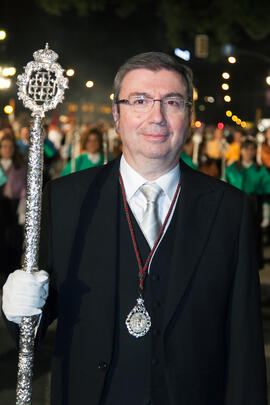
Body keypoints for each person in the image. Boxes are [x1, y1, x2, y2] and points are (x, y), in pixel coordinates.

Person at [2, 52, 267, 405]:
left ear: (188, 116)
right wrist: (15, 308)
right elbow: (32, 328)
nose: (155, 116)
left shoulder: (229, 208)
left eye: (172, 102)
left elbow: (245, 344)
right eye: (139, 101)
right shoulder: (66, 200)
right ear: (116, 115)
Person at [225, 137, 270, 269]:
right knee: (235, 236)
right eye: (246, 148)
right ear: (241, 150)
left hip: (254, 207)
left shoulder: (260, 170)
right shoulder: (232, 169)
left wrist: (266, 214)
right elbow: (224, 188)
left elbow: (266, 193)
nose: (249, 152)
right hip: (235, 206)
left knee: (254, 237)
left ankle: (253, 264)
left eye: (252, 149)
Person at [0, 135, 26, 278]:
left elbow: (24, 192)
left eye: (10, 147)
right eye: (4, 146)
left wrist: (22, 213)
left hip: (13, 210)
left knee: (13, 244)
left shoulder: (19, 169)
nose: (7, 149)